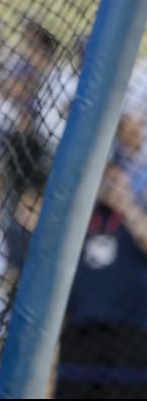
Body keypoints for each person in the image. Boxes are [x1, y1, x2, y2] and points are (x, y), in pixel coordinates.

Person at [55, 161, 147, 398]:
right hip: (83, 329)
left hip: (128, 330)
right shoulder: (82, 221)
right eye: (105, 181)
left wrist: (125, 204)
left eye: (116, 181)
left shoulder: (134, 219)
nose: (110, 186)